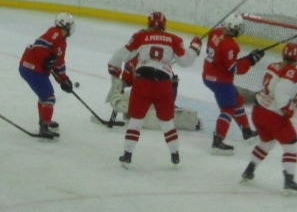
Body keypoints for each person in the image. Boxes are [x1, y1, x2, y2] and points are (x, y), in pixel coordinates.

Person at [107, 12, 202, 168]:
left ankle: (127, 155)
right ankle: (175, 155)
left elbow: (120, 55)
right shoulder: (173, 39)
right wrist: (195, 48)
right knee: (167, 122)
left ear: (149, 24)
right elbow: (186, 61)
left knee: (136, 120)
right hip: (163, 84)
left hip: (142, 83)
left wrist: (114, 68)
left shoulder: (140, 37)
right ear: (164, 25)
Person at [240, 43, 297, 196]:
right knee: (292, 145)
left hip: (258, 112)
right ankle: (289, 182)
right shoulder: (294, 72)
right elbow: (281, 92)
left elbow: (275, 89)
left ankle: (249, 170)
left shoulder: (272, 65)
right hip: (273, 115)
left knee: (266, 143)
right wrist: (288, 109)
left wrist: (295, 99)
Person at [203, 14, 263, 155]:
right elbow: (234, 69)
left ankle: (246, 131)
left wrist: (247, 58)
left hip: (208, 74)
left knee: (237, 100)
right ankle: (217, 142)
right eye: (239, 26)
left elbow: (217, 56)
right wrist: (251, 61)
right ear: (233, 27)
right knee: (228, 108)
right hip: (220, 80)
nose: (240, 29)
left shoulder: (216, 32)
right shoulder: (230, 46)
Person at [19, 13, 76, 140]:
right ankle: (44, 126)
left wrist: (63, 80)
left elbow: (58, 63)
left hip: (33, 68)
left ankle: (44, 121)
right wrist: (46, 59)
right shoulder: (55, 33)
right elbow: (39, 47)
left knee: (45, 96)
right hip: (31, 68)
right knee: (48, 97)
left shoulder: (61, 41)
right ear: (66, 26)